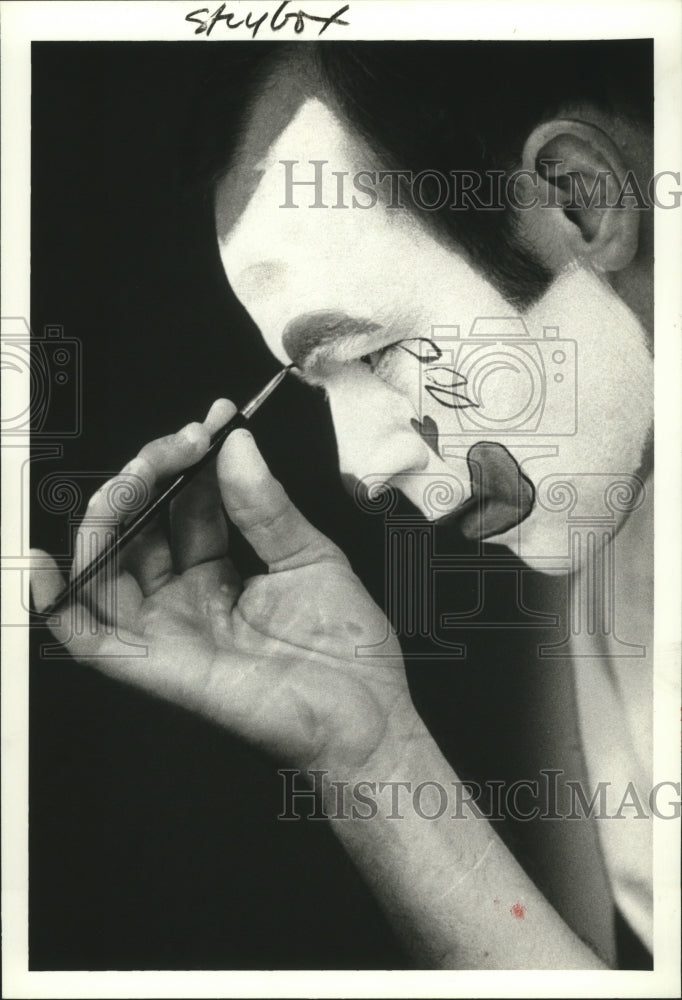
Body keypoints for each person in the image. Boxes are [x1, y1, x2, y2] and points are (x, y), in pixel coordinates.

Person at [30, 40, 655, 969]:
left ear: (576, 201)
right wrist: (366, 756)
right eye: (323, 387)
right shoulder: (618, 565)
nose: (360, 469)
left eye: (372, 354)